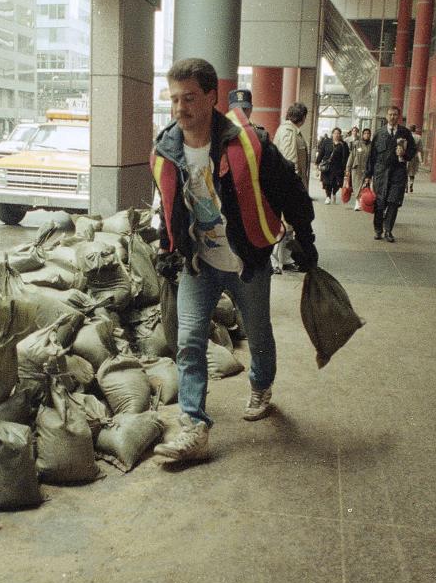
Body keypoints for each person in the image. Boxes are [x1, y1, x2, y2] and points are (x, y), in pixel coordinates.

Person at [150, 58, 318, 464]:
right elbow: (168, 206)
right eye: (174, 99)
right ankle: (194, 425)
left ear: (212, 97)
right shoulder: (167, 147)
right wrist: (167, 248)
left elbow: (291, 192)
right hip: (200, 263)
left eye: (189, 98)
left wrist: (305, 238)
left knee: (258, 334)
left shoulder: (250, 143)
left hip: (248, 263)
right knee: (189, 342)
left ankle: (261, 385)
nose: (180, 108)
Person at [364, 105, 415, 242]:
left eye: (395, 115)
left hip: (398, 172)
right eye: (390, 114)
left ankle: (388, 230)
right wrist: (368, 175)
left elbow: (413, 151)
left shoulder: (405, 133)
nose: (392, 117)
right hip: (381, 173)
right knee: (380, 203)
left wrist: (404, 154)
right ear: (386, 116)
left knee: (393, 202)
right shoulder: (379, 133)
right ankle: (378, 229)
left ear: (399, 117)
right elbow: (372, 156)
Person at [273, 102, 311, 273]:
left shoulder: (289, 130)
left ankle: (285, 259)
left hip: (287, 186)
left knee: (288, 225)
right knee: (283, 224)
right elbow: (290, 162)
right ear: (302, 117)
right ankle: (276, 261)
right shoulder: (289, 133)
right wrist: (294, 190)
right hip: (288, 187)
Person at [319, 127, 349, 205]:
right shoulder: (326, 142)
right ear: (332, 134)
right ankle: (328, 197)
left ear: (340, 135)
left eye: (338, 133)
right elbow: (321, 153)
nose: (336, 135)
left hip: (338, 167)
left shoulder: (343, 144)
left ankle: (334, 192)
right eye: (335, 133)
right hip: (328, 167)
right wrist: (317, 163)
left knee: (337, 184)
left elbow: (346, 156)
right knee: (327, 182)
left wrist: (346, 168)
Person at [345, 128, 372, 210]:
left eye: (368, 133)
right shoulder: (357, 144)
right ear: (362, 134)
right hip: (357, 168)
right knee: (357, 186)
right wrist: (348, 169)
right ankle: (357, 202)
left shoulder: (372, 145)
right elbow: (352, 156)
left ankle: (362, 202)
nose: (367, 135)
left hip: (367, 169)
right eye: (365, 133)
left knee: (364, 187)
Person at [407, 126, 423, 192]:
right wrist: (421, 159)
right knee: (412, 172)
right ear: (415, 130)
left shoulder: (407, 137)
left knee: (406, 172)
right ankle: (411, 184)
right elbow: (419, 150)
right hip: (414, 157)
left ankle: (406, 187)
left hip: (407, 156)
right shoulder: (418, 137)